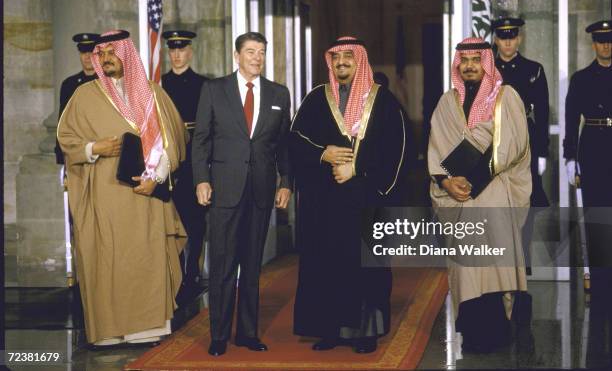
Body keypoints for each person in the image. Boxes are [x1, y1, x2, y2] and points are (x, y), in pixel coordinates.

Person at [57, 30, 188, 347]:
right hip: (104, 196)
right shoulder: (84, 96)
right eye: (101, 54)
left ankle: (146, 328)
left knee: (145, 259)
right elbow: (67, 141)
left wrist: (155, 178)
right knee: (108, 260)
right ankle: (110, 331)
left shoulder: (153, 94)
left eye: (113, 52)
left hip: (145, 195)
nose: (106, 58)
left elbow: (175, 142)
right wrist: (94, 147)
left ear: (127, 55)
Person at [291, 36, 407, 354]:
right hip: (324, 202)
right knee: (327, 264)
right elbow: (295, 140)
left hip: (365, 202)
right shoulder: (317, 98)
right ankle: (330, 329)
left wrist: (358, 169)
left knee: (365, 267)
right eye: (336, 57)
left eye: (348, 57)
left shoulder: (383, 100)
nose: (342, 62)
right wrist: (323, 154)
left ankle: (366, 332)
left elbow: (397, 148)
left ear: (360, 61)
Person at [428, 37, 532, 353]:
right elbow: (436, 148)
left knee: (497, 265)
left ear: (486, 63)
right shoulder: (447, 102)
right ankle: (472, 334)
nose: (470, 66)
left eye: (476, 60)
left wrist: (471, 180)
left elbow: (512, 145)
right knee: (468, 269)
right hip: (460, 199)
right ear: (457, 64)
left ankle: (503, 333)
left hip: (495, 193)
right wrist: (446, 183)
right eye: (465, 61)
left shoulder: (506, 97)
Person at [192, 32, 292, 356]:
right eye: (250, 52)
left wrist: (286, 182)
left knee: (251, 267)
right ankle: (219, 335)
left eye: (261, 52)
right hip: (224, 191)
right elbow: (201, 140)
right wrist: (201, 180)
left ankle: (248, 333)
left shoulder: (279, 93)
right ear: (236, 56)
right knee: (222, 265)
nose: (257, 58)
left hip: (261, 191)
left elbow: (283, 145)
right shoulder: (214, 89)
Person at [492, 16, 550, 277]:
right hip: (493, 141)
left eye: (512, 36)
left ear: (519, 38)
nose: (508, 42)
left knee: (525, 204)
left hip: (525, 142)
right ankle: (498, 266)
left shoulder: (533, 69)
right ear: (495, 39)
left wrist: (542, 151)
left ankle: (522, 267)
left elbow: (542, 114)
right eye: (503, 37)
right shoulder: (487, 69)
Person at [564, 19, 612, 295]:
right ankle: (601, 280)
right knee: (597, 219)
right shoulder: (581, 78)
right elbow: (571, 120)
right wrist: (570, 157)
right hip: (593, 149)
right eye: (601, 40)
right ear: (593, 44)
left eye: (609, 40)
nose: (606, 45)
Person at [161, 30, 209, 303]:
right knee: (172, 218)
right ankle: (176, 271)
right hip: (169, 159)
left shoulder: (204, 85)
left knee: (195, 220)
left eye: (182, 49)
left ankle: (192, 271)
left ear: (190, 51)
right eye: (173, 49)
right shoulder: (160, 83)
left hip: (193, 158)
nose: (177, 54)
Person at [55, 33, 99, 165]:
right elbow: (63, 121)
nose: (87, 56)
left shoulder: (107, 83)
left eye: (91, 51)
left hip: (101, 148)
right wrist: (61, 157)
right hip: (77, 150)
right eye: (83, 51)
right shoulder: (69, 84)